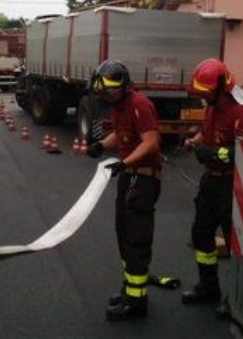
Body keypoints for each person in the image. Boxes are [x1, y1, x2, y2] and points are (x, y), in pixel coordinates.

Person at [85, 59, 162, 321]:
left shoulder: (139, 104)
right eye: (104, 91)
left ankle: (136, 302)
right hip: (129, 176)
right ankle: (130, 290)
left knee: (135, 238)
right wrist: (102, 146)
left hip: (142, 179)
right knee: (124, 233)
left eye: (112, 90)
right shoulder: (118, 106)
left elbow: (150, 143)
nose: (108, 95)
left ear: (124, 85)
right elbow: (121, 134)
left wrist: (125, 162)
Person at [180, 58, 243, 319]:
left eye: (206, 92)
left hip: (230, 184)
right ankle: (208, 286)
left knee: (234, 243)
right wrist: (193, 142)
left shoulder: (239, 112)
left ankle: (234, 297)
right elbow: (206, 133)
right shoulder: (212, 108)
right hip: (210, 181)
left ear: (221, 87)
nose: (203, 96)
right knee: (201, 234)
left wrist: (213, 152)